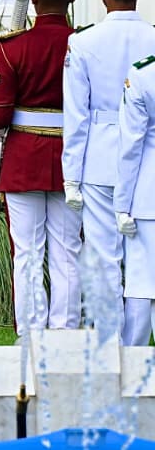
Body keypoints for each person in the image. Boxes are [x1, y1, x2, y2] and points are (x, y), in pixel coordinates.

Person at [0, 0, 86, 335]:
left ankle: (30, 334)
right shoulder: (83, 45)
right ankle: (65, 333)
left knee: (27, 253)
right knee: (68, 252)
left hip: (24, 156)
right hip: (72, 159)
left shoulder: (13, 47)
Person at [62, 0, 155, 346]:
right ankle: (134, 353)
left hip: (100, 160)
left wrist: (71, 175)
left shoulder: (83, 42)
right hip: (147, 163)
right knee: (142, 268)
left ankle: (108, 352)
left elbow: (76, 117)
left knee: (104, 261)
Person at [117, 32, 155, 344]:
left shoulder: (144, 74)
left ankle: (133, 371)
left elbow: (131, 146)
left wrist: (121, 205)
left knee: (142, 285)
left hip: (148, 195)